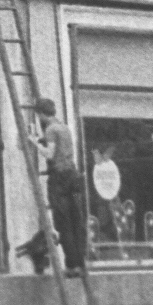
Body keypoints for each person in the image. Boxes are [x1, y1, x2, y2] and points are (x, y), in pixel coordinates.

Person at [30, 97, 87, 276]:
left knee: (63, 223)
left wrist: (33, 141)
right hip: (73, 175)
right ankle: (80, 262)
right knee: (76, 220)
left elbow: (50, 154)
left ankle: (71, 265)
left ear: (41, 114)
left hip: (60, 178)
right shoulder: (64, 128)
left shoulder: (50, 129)